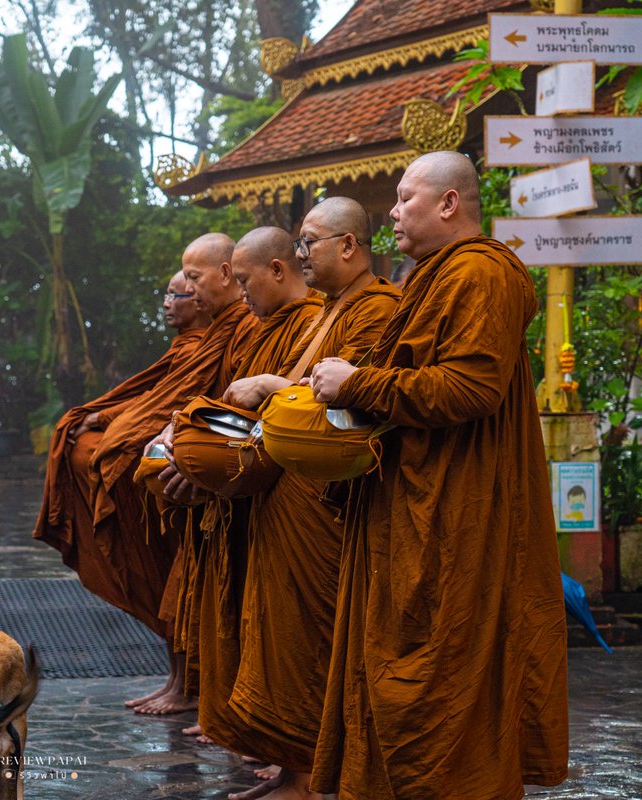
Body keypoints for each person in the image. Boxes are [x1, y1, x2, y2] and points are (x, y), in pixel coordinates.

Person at [306, 151, 568, 799]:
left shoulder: (481, 273)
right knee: (395, 658)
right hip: (411, 499)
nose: (393, 213)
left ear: (449, 204)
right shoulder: (432, 276)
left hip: (457, 506)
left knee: (443, 668)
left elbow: (470, 387)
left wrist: (357, 384)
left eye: (405, 198)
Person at [217, 198, 399, 800]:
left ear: (348, 245)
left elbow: (354, 405)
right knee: (282, 635)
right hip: (292, 494)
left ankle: (314, 775)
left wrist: (273, 386)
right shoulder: (330, 308)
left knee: (314, 640)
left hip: (330, 501)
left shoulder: (377, 309)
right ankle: (294, 767)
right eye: (297, 243)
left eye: (309, 242)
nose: (300, 254)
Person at [36, 233, 260, 715]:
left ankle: (206, 694)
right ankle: (183, 683)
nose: (178, 296)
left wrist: (149, 436)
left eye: (188, 283)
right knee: (179, 582)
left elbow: (216, 404)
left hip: (220, 476)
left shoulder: (244, 329)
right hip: (190, 471)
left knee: (195, 586)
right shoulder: (215, 336)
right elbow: (163, 401)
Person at [161, 228, 320, 767]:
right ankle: (266, 739)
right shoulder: (262, 327)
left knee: (292, 626)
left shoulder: (321, 320)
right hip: (252, 492)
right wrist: (187, 439)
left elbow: (314, 411)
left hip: (297, 494)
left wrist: (210, 466)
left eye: (246, 279)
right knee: (255, 616)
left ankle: (293, 756)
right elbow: (230, 405)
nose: (242, 291)